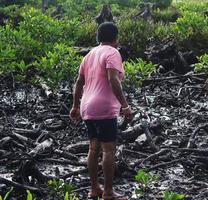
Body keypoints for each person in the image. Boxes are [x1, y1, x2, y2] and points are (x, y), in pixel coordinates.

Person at [69, 22, 133, 200]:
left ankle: (94, 189)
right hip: (104, 107)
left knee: (93, 148)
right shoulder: (113, 52)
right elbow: (114, 81)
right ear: (115, 38)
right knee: (108, 150)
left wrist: (75, 106)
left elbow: (79, 82)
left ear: (98, 37)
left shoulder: (88, 55)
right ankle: (109, 192)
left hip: (87, 106)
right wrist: (125, 106)